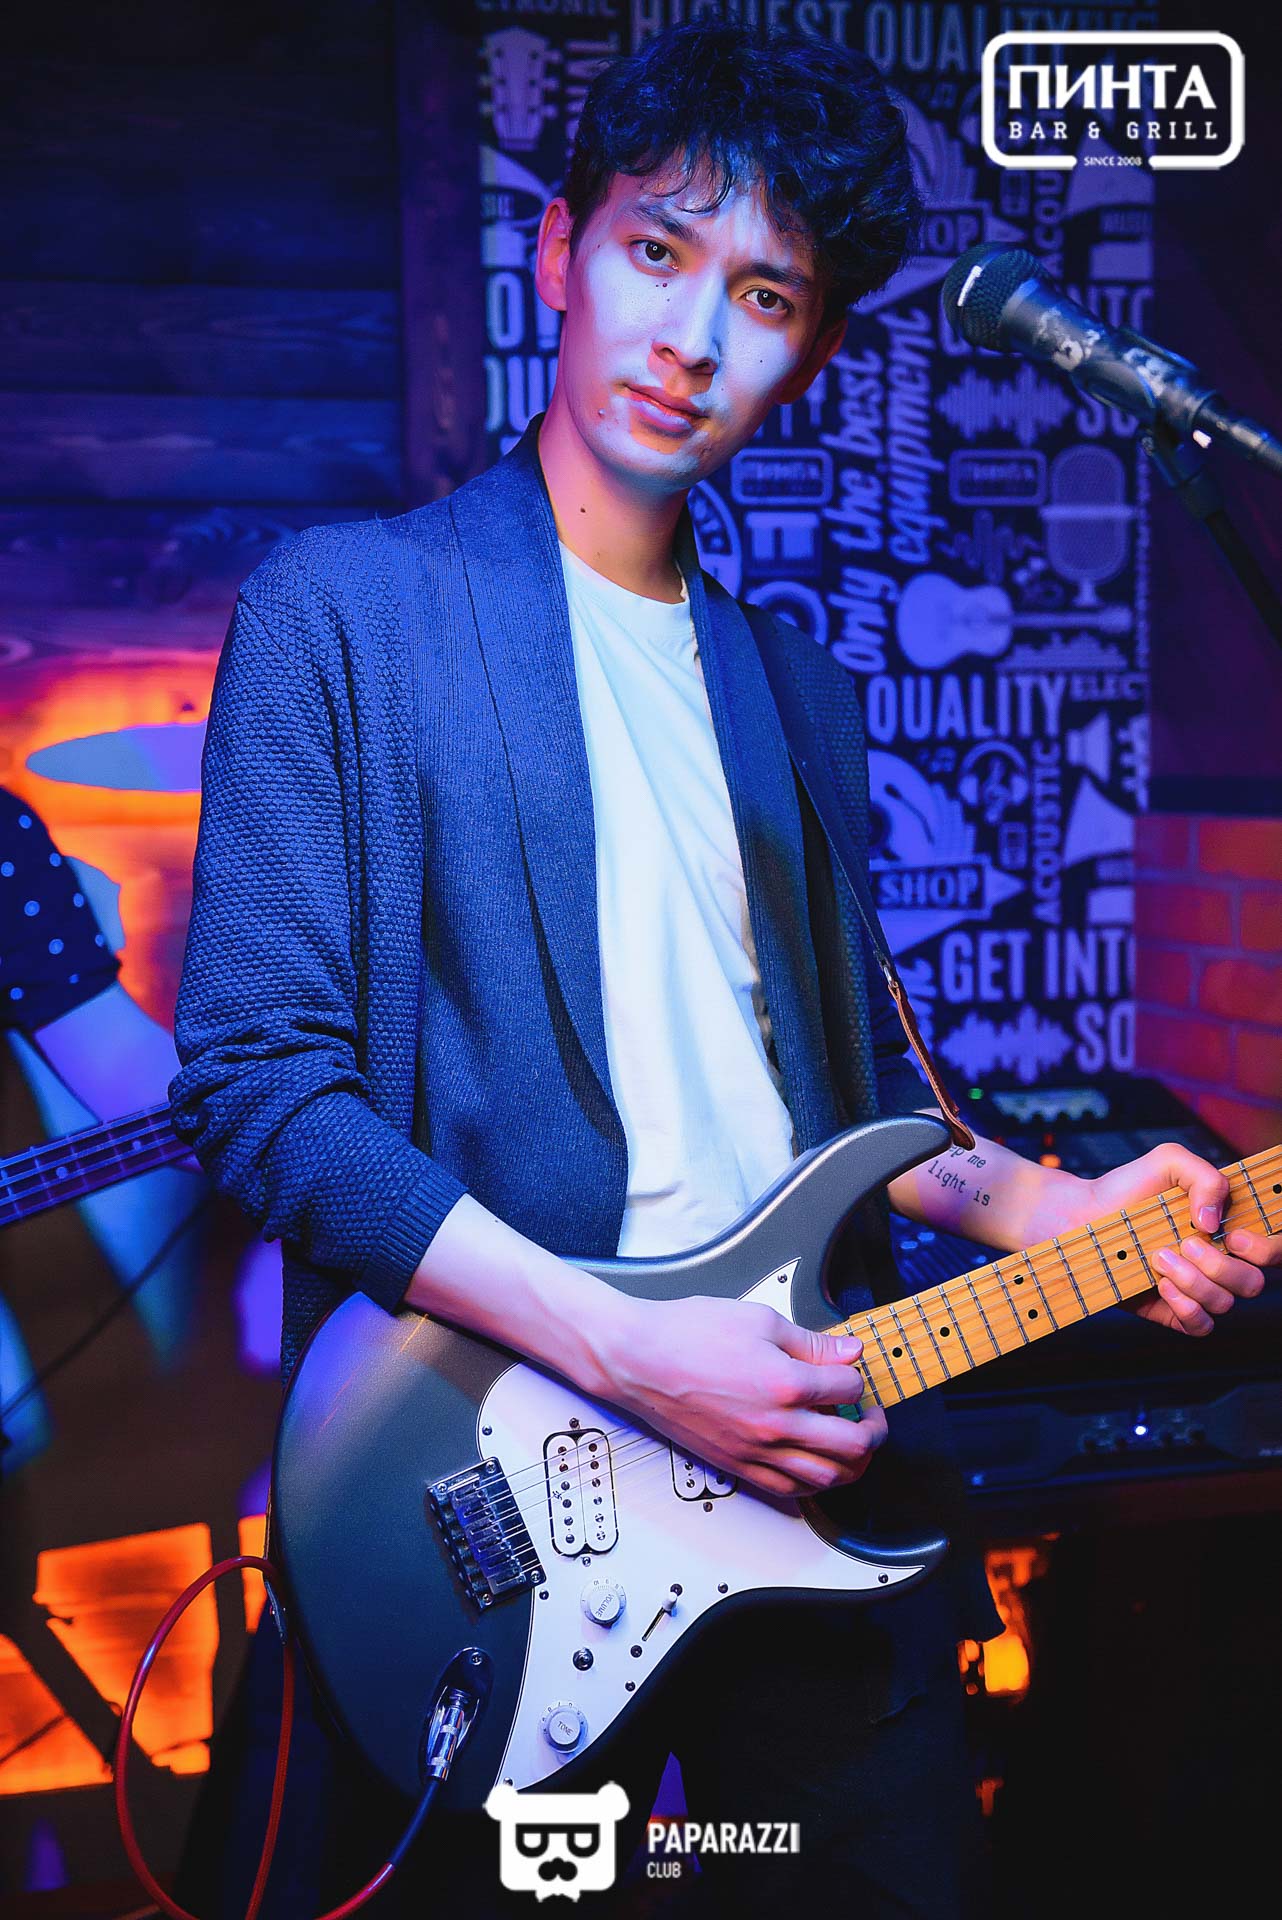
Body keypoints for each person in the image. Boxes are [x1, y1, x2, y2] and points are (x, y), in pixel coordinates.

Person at [168, 24, 1278, 1918]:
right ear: (560, 254)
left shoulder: (797, 687)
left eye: (762, 295)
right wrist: (627, 1350)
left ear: (811, 353)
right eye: (655, 251)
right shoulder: (343, 614)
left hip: (820, 1460)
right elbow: (259, 1092)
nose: (692, 335)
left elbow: (860, 1101)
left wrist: (1061, 1209)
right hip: (506, 1487)